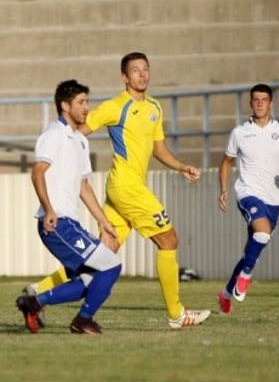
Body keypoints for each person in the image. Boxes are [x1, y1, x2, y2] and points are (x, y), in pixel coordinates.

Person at [25, 52, 211, 330]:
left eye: (146, 69)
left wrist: (181, 166)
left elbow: (158, 148)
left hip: (125, 189)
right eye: (135, 70)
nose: (142, 74)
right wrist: (62, 156)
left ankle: (38, 292)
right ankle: (176, 313)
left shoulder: (155, 107)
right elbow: (79, 130)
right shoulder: (116, 106)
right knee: (169, 240)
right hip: (127, 187)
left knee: (102, 255)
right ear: (124, 77)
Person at [15, 80, 122, 335]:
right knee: (111, 265)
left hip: (69, 223)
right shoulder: (54, 134)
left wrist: (104, 221)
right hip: (57, 222)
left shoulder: (80, 140)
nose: (86, 108)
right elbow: (37, 173)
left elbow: (84, 186)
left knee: (89, 281)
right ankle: (82, 320)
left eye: (87, 102)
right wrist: (49, 209)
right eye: (81, 102)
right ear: (65, 106)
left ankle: (34, 303)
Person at [216, 84, 279, 315]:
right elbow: (226, 161)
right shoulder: (240, 132)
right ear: (250, 103)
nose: (260, 103)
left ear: (271, 103)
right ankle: (245, 276)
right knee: (262, 233)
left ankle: (225, 295)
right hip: (248, 193)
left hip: (274, 200)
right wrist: (224, 189)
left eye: (264, 99)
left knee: (251, 252)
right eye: (256, 99)